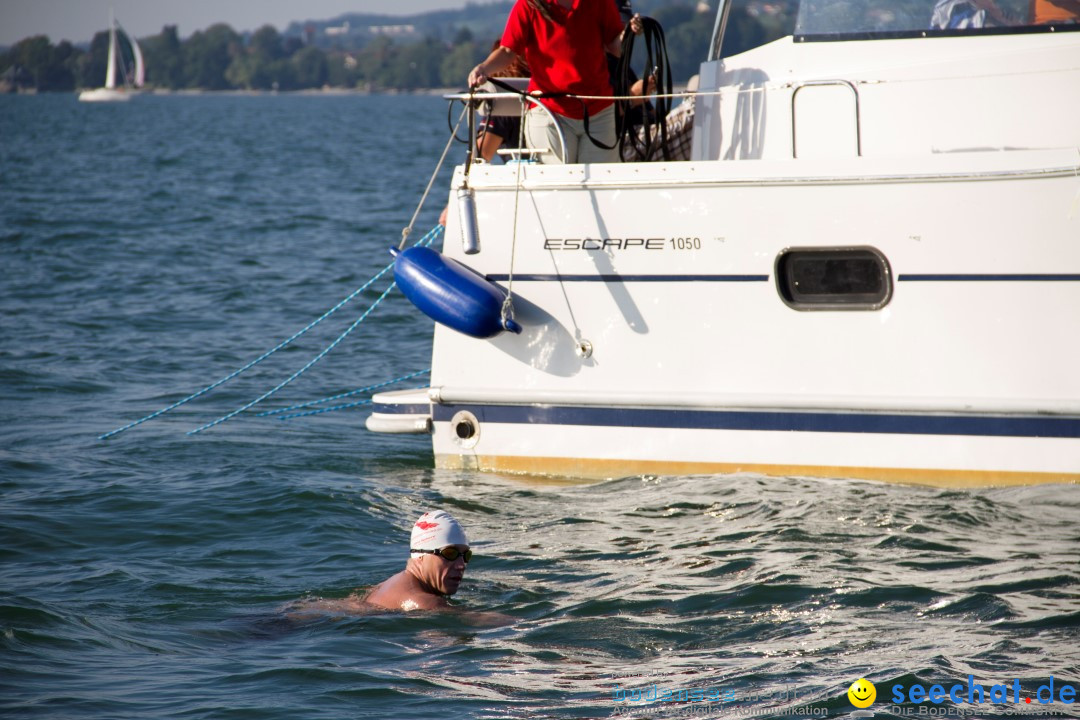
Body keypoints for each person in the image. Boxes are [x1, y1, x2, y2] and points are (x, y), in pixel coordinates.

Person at [469, 0, 645, 165]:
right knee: (561, 180)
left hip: (599, 111)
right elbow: (508, 51)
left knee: (599, 181)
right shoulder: (528, 5)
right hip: (550, 112)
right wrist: (483, 68)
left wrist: (628, 34)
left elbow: (615, 48)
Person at [364, 510, 472, 611]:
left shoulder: (385, 585)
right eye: (450, 553)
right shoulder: (426, 603)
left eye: (466, 555)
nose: (461, 565)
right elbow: (477, 621)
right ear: (420, 555)